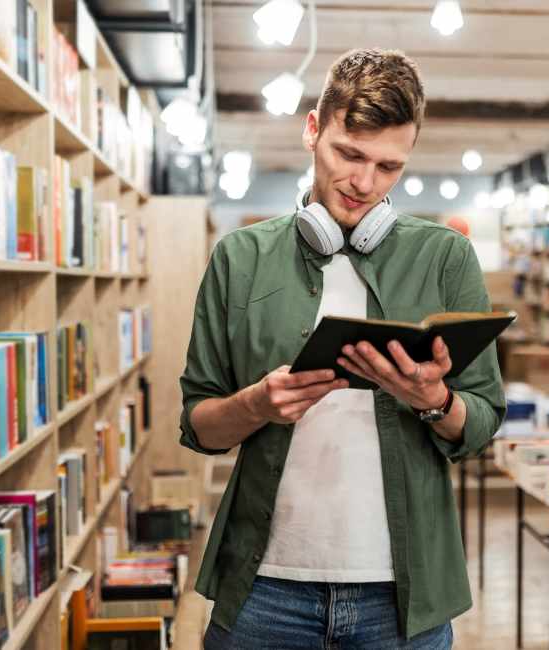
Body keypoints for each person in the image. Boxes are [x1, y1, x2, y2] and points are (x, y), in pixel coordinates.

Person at [180, 48, 505, 649]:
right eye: (349, 154)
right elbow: (200, 424)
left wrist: (435, 401)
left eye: (388, 167)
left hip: (403, 596)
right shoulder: (239, 258)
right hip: (264, 590)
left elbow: (482, 421)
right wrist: (256, 404)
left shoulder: (446, 257)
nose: (364, 183)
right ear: (312, 130)